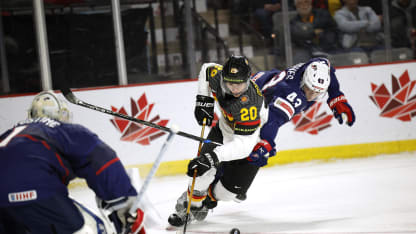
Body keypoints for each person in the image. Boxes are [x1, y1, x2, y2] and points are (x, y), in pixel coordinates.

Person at [0, 91, 145, 234]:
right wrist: (123, 203)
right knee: (93, 228)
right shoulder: (62, 130)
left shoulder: (8, 134)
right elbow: (102, 160)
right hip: (39, 193)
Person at [168, 55, 266, 227]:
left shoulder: (251, 104)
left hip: (249, 139)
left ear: (248, 79)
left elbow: (243, 146)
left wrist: (212, 157)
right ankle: (194, 207)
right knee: (200, 172)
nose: (235, 88)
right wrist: (203, 101)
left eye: (240, 84)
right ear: (223, 78)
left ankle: (210, 198)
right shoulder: (217, 76)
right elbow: (207, 68)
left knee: (229, 192)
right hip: (223, 129)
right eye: (230, 83)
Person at [246, 57, 356, 167]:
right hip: (250, 101)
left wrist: (335, 94)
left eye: (317, 93)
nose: (311, 96)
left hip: (262, 80)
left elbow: (325, 65)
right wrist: (267, 142)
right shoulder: (294, 97)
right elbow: (273, 121)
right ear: (304, 81)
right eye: (310, 90)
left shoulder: (309, 68)